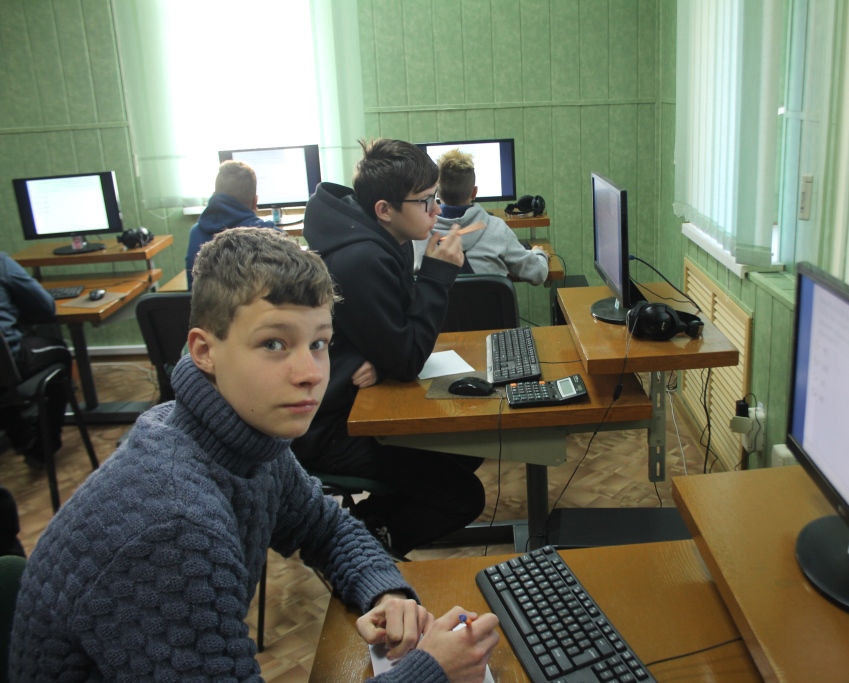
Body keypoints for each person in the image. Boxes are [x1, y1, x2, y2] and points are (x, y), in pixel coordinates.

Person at [7, 228, 500, 681]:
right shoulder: (173, 525)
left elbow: (326, 527)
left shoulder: (241, 438)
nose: (311, 373)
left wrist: (383, 589)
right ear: (204, 350)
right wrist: (432, 671)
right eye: (273, 343)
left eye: (320, 343)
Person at [293, 139, 486, 557]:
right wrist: (437, 275)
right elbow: (407, 357)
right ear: (384, 209)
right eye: (425, 201)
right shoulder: (361, 258)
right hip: (329, 429)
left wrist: (383, 362)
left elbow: (395, 337)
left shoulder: (377, 236)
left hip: (353, 403)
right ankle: (354, 549)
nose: (436, 210)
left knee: (468, 447)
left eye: (435, 197)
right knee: (464, 496)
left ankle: (363, 528)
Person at [413, 148, 549, 285]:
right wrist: (539, 253)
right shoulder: (497, 228)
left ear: (436, 192)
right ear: (474, 192)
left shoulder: (418, 235)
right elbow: (537, 273)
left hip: (434, 299)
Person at [0, 252, 72, 469]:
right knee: (60, 353)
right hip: (9, 361)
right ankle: (43, 446)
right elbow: (45, 307)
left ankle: (17, 429)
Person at [184, 160, 279, 288]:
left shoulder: (195, 232)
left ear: (213, 196)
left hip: (204, 301)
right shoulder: (269, 233)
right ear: (255, 201)